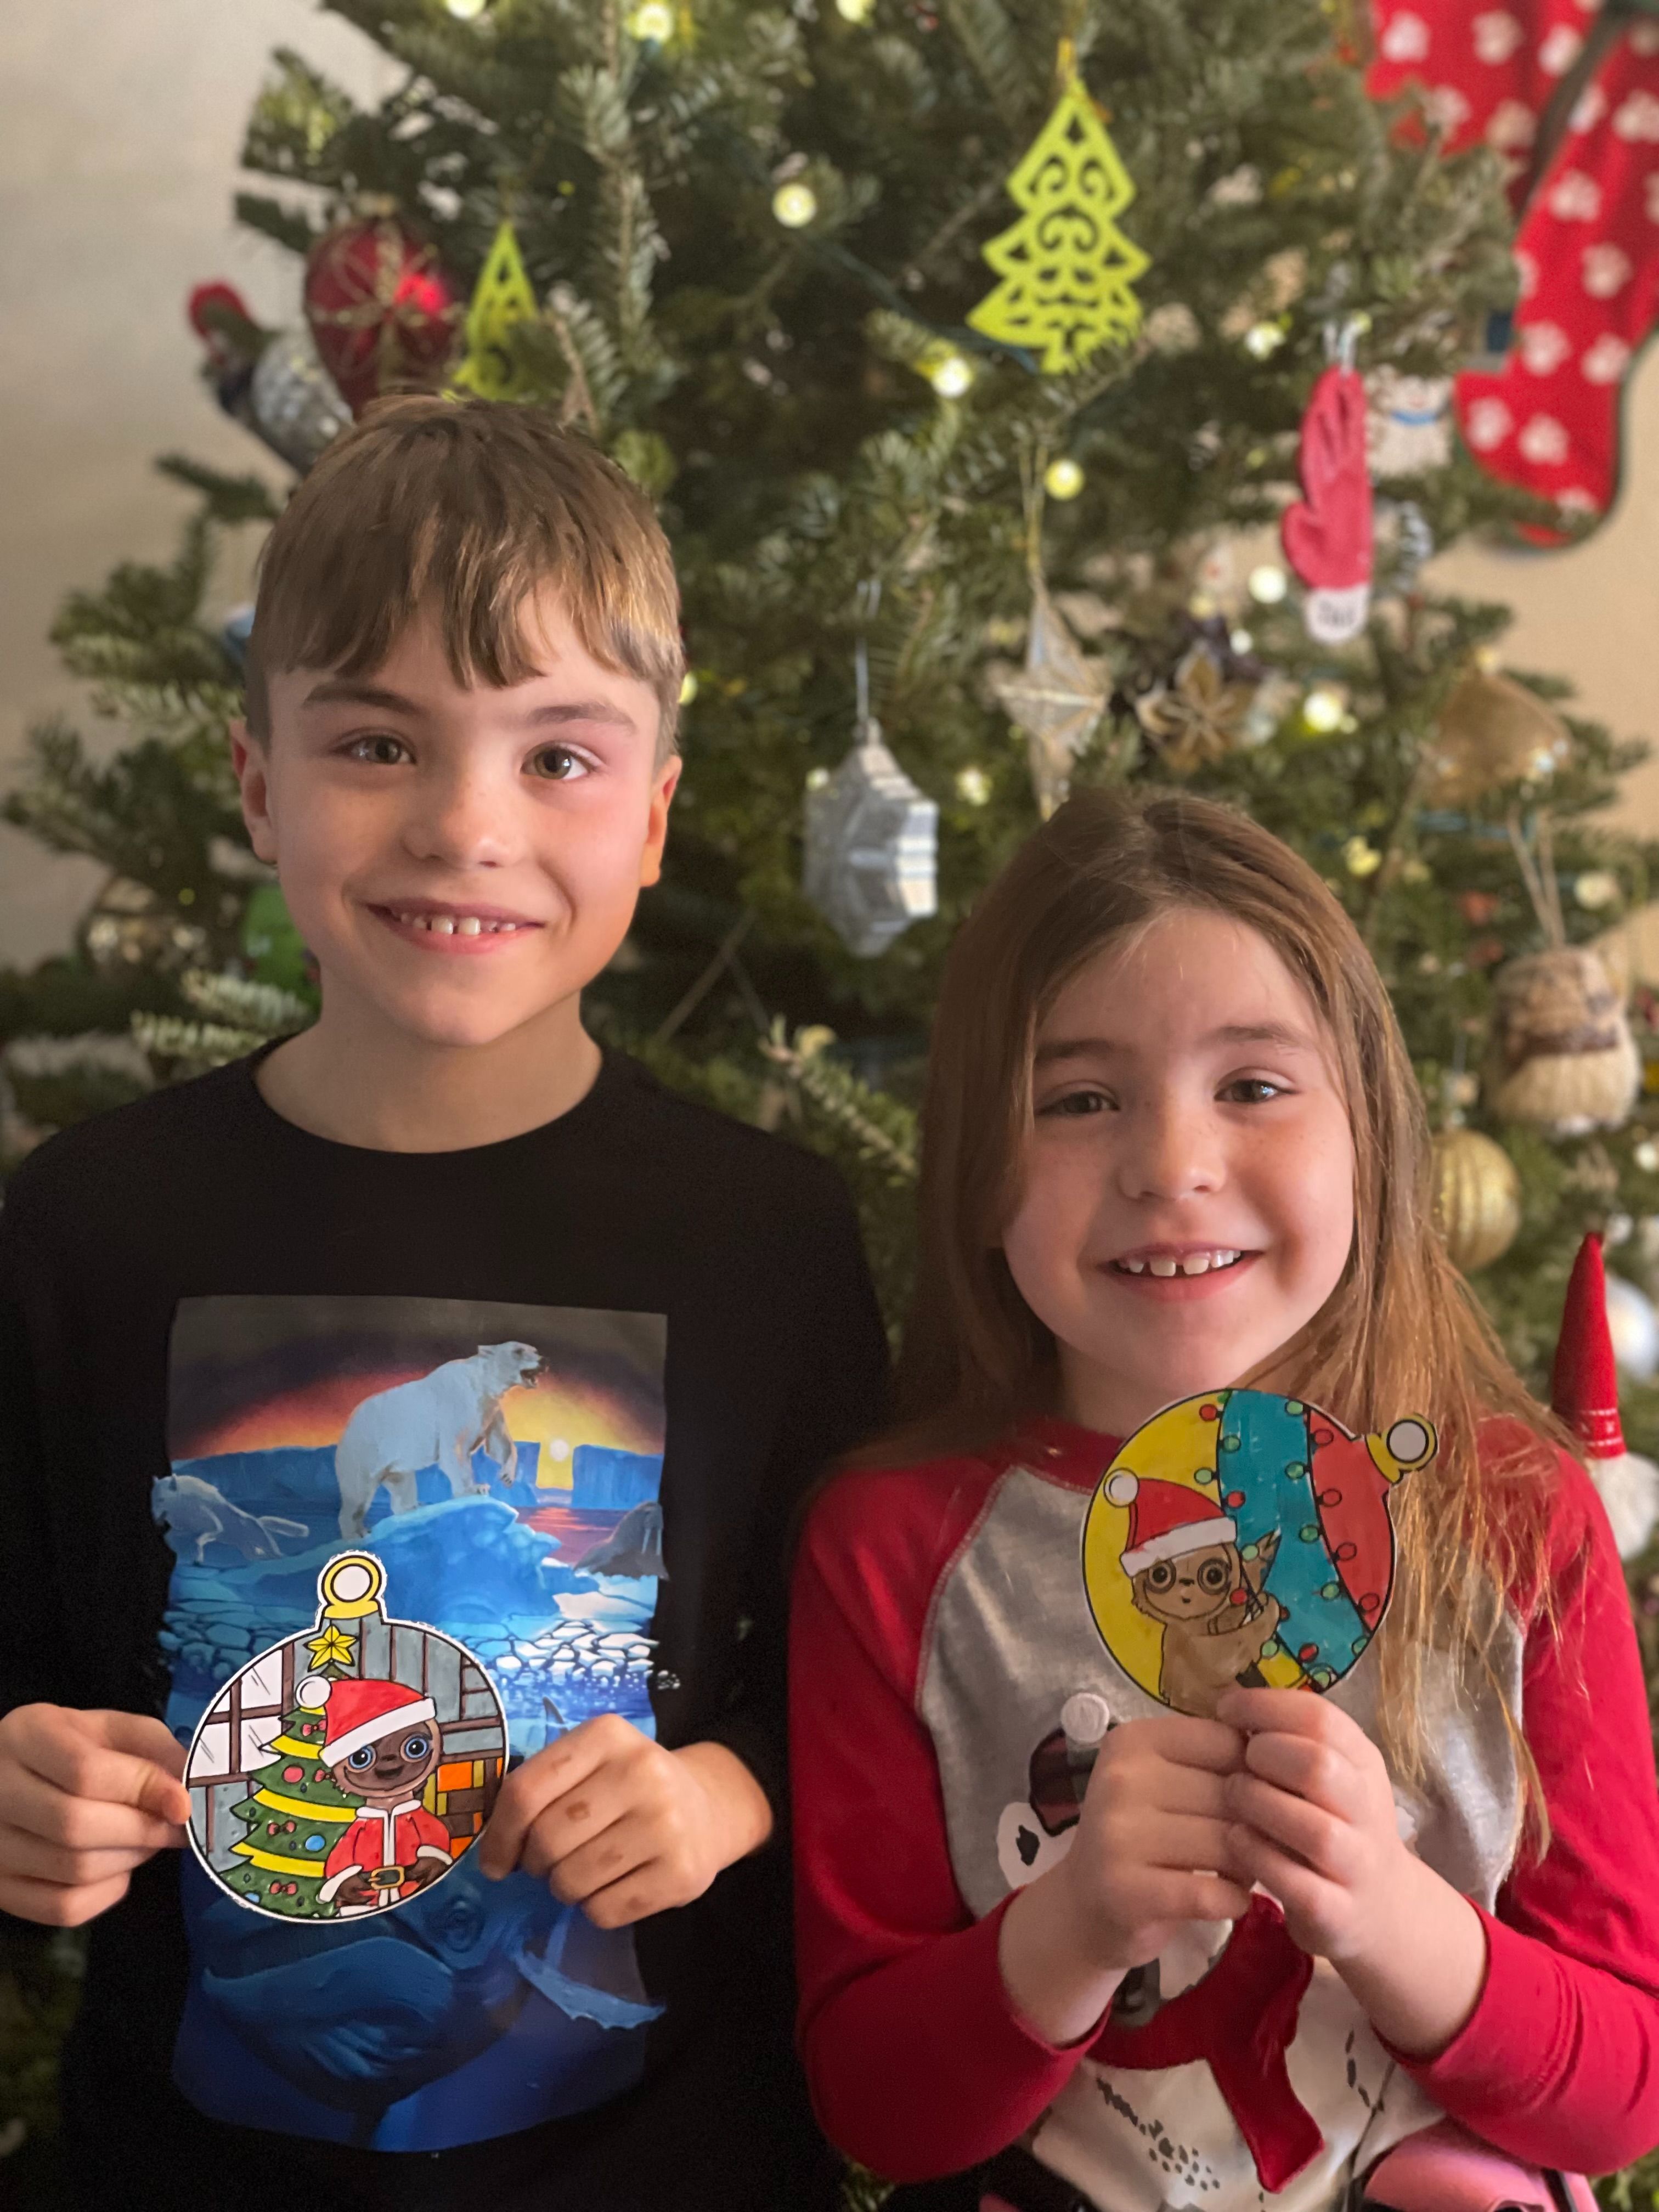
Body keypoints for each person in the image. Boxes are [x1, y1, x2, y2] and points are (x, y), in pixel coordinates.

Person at [0, 396, 887, 2212]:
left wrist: (725, 1795)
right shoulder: (82, 1224)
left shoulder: (773, 1237)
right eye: (377, 743)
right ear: (260, 785)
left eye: (558, 755)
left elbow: (868, 1700)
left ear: (655, 816)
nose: (467, 824)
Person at [789, 789, 1659, 2209]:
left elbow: (1623, 2092)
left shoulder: (1514, 1516)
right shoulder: (892, 1549)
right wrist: (1071, 1926)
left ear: (1367, 1129)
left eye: (1253, 1086)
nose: (1172, 1169)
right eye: (1079, 1100)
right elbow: (880, 2110)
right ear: (978, 1165)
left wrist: (1392, 1913)